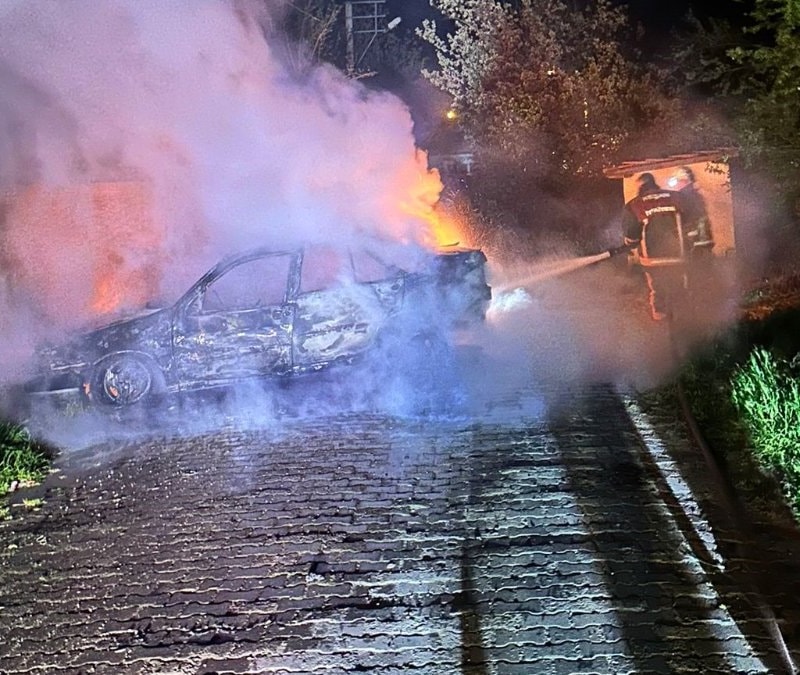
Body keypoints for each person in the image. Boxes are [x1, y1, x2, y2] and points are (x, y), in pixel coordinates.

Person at [622, 172, 690, 321]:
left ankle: (661, 321)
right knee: (678, 283)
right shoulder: (676, 197)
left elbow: (632, 234)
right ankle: (683, 318)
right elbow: (689, 220)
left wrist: (630, 244)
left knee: (658, 288)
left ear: (641, 187)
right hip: (678, 253)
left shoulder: (635, 204)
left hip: (652, 257)